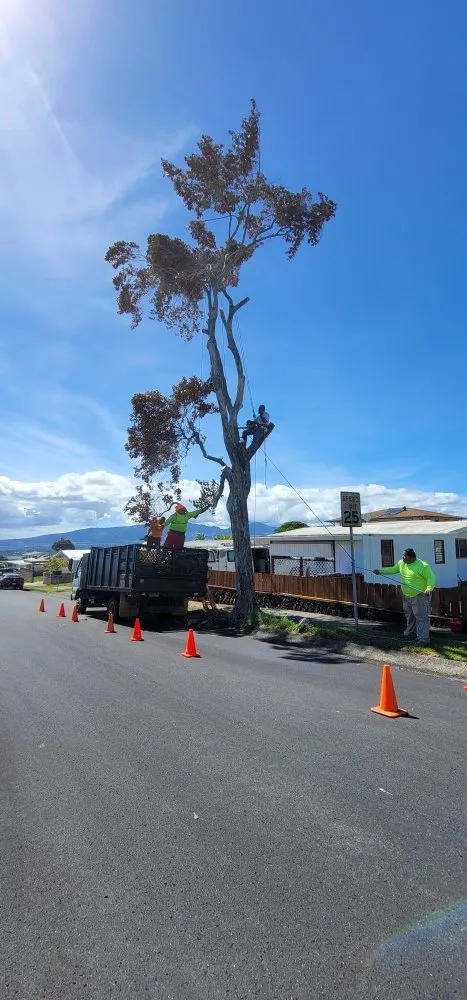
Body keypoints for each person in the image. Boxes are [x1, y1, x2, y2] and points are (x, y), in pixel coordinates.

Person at [373, 548, 436, 645]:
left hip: (420, 596)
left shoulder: (423, 566)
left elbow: (431, 578)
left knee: (421, 617)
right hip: (407, 596)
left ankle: (423, 639)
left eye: (404, 556)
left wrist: (429, 588)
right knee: (409, 616)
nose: (402, 558)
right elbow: (393, 569)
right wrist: (380, 571)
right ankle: (410, 633)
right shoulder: (402, 563)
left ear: (411, 557)